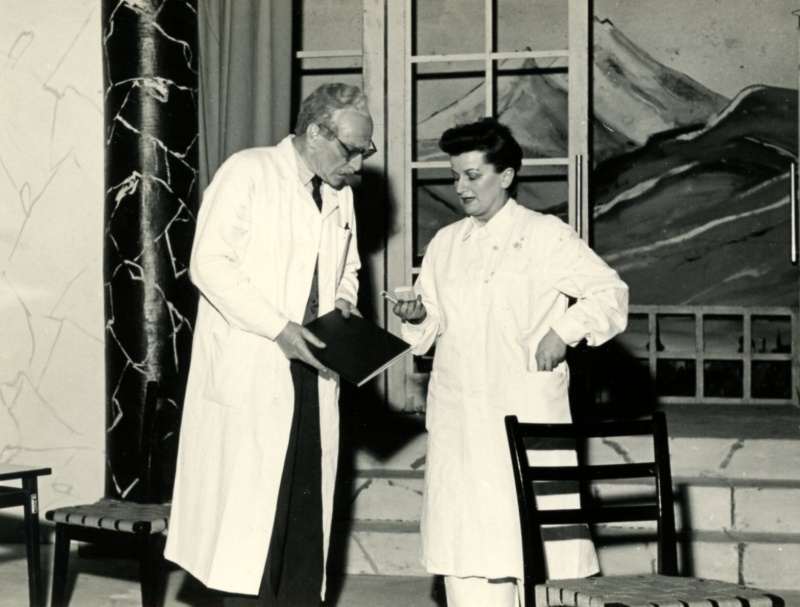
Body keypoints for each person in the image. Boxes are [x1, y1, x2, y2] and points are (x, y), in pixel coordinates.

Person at [391, 117, 629, 607]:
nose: (461, 187)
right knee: (466, 553)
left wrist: (563, 332)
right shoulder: (446, 244)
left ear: (505, 176)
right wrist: (418, 316)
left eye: (472, 175)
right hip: (461, 418)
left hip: (522, 409)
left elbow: (610, 293)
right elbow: (431, 325)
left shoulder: (545, 235)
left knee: (534, 554)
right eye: (455, 176)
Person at [164, 83, 375, 606]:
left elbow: (348, 268)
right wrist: (278, 327)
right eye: (352, 151)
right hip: (256, 366)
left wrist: (343, 300)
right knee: (251, 525)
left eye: (365, 153)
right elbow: (208, 264)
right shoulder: (248, 172)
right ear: (316, 133)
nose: (357, 166)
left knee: (304, 520)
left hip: (313, 371)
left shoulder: (340, 195)